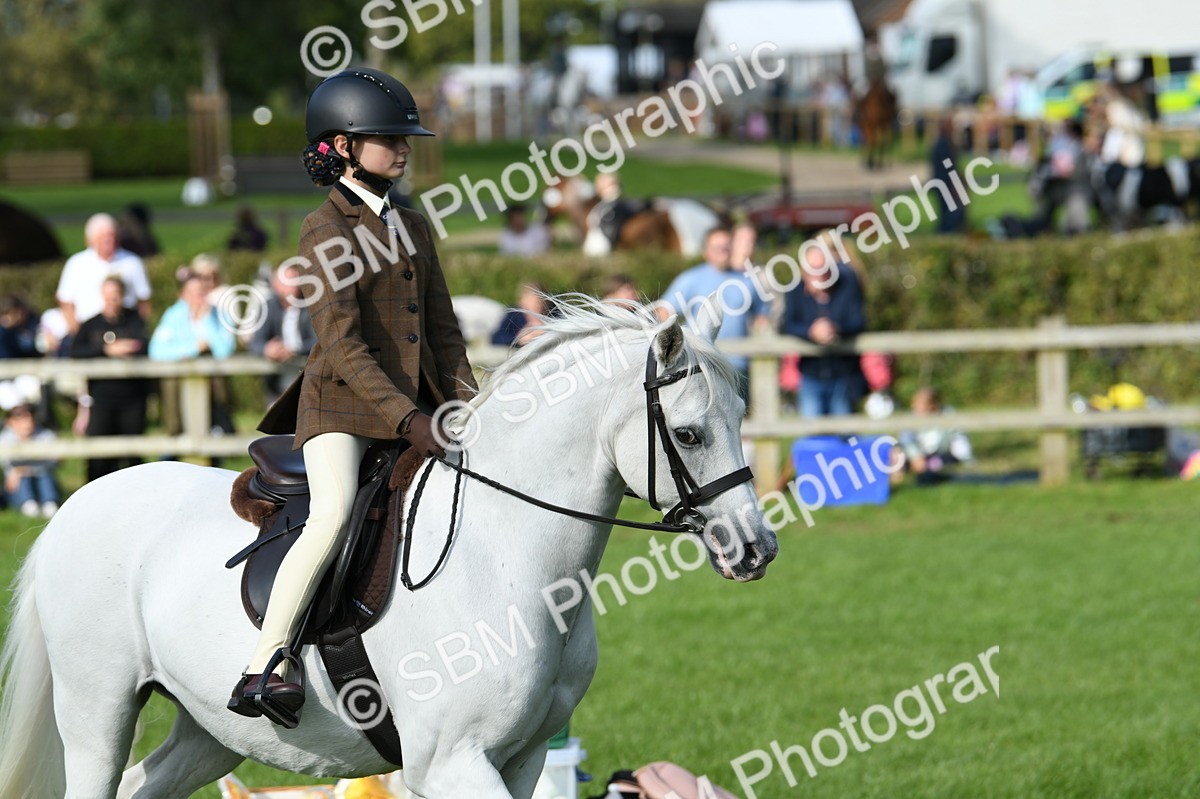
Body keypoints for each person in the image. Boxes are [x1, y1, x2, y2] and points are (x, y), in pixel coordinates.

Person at [231, 67, 477, 726]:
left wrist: (469, 406)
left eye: (405, 138)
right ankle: (266, 661)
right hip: (341, 407)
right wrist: (408, 418)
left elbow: (445, 332)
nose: (401, 148)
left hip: (417, 409)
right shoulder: (325, 228)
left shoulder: (415, 225)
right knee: (334, 513)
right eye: (386, 138)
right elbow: (341, 346)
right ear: (342, 146)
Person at [656, 227, 770, 402]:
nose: (723, 252)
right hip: (702, 364)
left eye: (727, 247)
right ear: (706, 252)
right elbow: (664, 310)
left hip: (737, 366)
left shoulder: (747, 281)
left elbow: (762, 316)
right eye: (718, 248)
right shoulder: (691, 279)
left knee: (740, 423)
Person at [69, 276, 151, 481]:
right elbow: (76, 351)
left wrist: (130, 349)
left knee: (133, 455)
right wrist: (105, 350)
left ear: (122, 297)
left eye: (115, 297)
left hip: (132, 398)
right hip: (101, 398)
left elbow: (148, 346)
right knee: (98, 457)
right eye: (107, 297)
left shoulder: (134, 320)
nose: (111, 302)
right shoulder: (91, 324)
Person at [780, 233, 866, 417]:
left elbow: (859, 321)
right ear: (804, 271)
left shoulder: (846, 285)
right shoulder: (795, 290)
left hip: (842, 373)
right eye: (813, 269)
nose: (818, 274)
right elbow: (787, 324)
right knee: (813, 436)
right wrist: (810, 332)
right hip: (810, 374)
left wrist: (836, 329)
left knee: (844, 435)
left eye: (822, 268)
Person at [56, 213, 152, 336]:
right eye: (102, 237)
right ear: (90, 239)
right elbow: (66, 303)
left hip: (125, 330)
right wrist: (78, 334)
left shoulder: (133, 262)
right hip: (88, 332)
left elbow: (144, 300)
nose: (108, 241)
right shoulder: (76, 264)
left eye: (111, 236)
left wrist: (139, 330)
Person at [249, 264, 316, 404]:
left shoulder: (311, 305)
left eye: (295, 280)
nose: (293, 286)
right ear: (275, 285)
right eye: (288, 281)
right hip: (277, 379)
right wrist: (267, 349)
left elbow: (318, 340)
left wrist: (294, 349)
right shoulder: (268, 306)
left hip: (307, 375)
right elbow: (256, 341)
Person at [897, 386, 973, 483]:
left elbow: (959, 438)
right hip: (916, 455)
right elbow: (906, 439)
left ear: (933, 406)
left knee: (937, 463)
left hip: (941, 454)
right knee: (896, 454)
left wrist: (967, 459)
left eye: (919, 404)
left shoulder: (947, 414)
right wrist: (915, 456)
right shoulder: (911, 417)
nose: (914, 406)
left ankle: (929, 470)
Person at [0, 403, 60, 518]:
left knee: (44, 477)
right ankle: (29, 504)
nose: (28, 423)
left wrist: (20, 469)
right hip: (18, 486)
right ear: (10, 422)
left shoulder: (45, 435)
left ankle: (50, 503)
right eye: (21, 419)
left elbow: (55, 460)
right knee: (23, 480)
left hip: (42, 478)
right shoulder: (5, 439)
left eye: (29, 418)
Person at [492, 282, 550, 347]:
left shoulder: (551, 316)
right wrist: (519, 339)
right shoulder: (513, 316)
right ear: (522, 303)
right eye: (529, 305)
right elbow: (496, 338)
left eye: (537, 304)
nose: (533, 309)